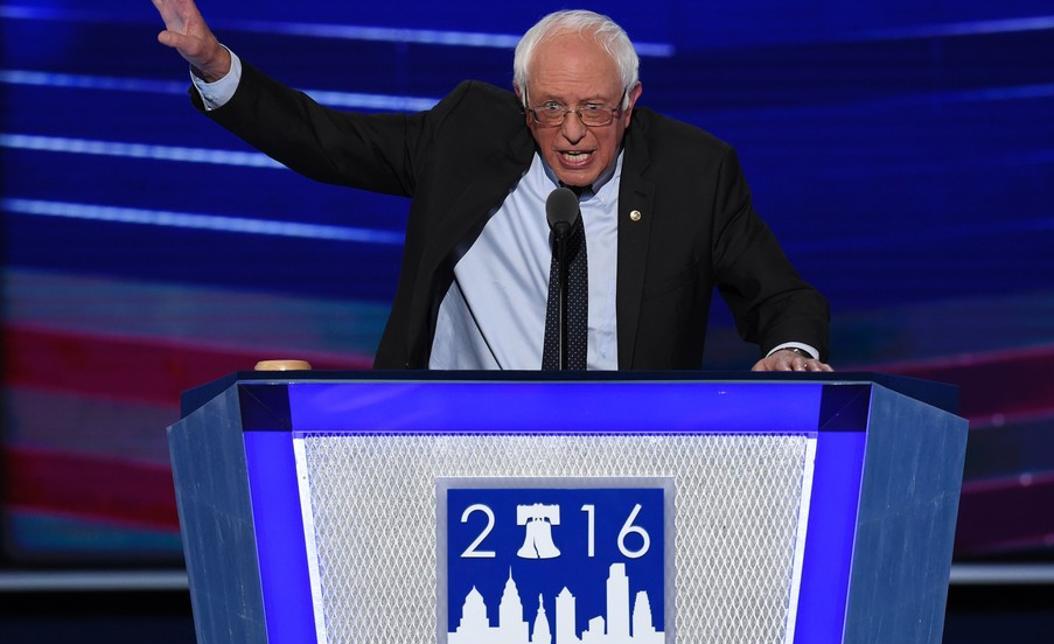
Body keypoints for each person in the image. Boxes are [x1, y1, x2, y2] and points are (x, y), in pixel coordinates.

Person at [151, 1, 832, 372]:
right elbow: (328, 142)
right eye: (549, 109)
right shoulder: (468, 137)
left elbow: (785, 296)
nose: (571, 131)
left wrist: (790, 350)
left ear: (630, 105)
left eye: (595, 109)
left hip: (632, 457)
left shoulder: (693, 171)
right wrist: (215, 65)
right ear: (521, 101)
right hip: (457, 444)